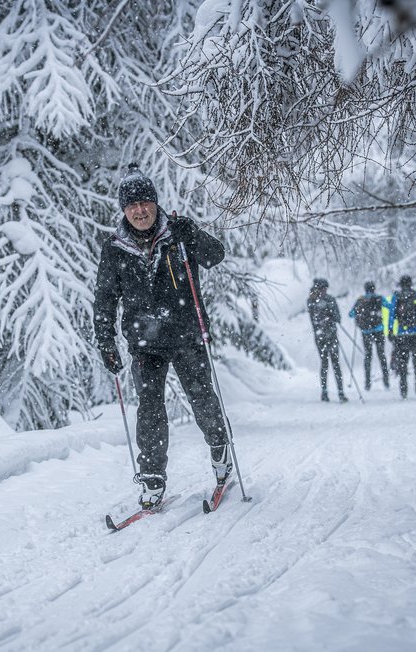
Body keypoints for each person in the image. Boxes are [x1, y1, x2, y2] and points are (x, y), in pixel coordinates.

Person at [93, 164, 230, 509]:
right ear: (124, 210)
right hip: (145, 343)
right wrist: (105, 341)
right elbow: (105, 298)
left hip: (186, 334)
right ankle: (152, 479)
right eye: (132, 206)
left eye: (145, 203)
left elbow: (215, 256)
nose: (140, 211)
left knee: (202, 400)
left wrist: (193, 234)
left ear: (155, 203)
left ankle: (220, 451)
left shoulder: (178, 234)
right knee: (150, 410)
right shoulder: (115, 248)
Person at [387, 275, 416, 399]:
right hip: (415, 334)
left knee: (403, 364)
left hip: (401, 335)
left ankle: (403, 389)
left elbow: (391, 315)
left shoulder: (397, 297)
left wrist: (390, 330)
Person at [308, 278, 348, 403]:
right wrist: (331, 317)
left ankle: (325, 393)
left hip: (320, 336)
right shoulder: (329, 300)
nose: (324, 290)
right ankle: (340, 393)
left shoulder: (311, 301)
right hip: (330, 335)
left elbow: (313, 321)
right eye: (323, 288)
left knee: (325, 363)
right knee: (334, 363)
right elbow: (338, 318)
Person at [348, 281, 389, 390]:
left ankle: (367, 383)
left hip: (366, 332)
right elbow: (390, 306)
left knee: (368, 356)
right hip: (379, 330)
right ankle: (386, 381)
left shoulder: (360, 300)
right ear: (374, 288)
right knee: (382, 355)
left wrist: (359, 314)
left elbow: (351, 314)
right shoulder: (379, 298)